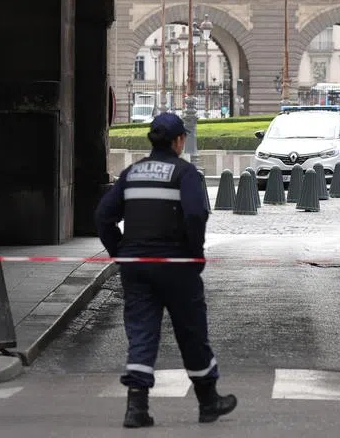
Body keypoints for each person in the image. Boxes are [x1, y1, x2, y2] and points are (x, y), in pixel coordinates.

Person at [95, 112, 236, 428]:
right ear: (179, 141)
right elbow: (196, 215)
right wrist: (194, 255)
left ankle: (136, 408)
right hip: (176, 265)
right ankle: (208, 401)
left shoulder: (131, 173)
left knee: (141, 330)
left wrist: (120, 252)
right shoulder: (184, 173)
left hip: (136, 266)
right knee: (191, 330)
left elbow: (103, 217)